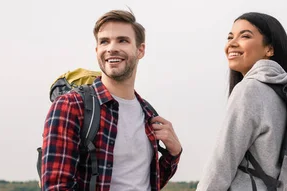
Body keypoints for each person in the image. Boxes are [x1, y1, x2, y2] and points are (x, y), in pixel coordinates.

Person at [40, 9, 182, 191]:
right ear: (97, 50)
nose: (111, 48)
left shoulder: (148, 113)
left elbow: (144, 183)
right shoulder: (71, 106)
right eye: (104, 41)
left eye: (122, 40)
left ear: (140, 50)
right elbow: (57, 187)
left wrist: (174, 153)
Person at [196, 12, 287, 190]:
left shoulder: (250, 90)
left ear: (269, 49)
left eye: (245, 36)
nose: (231, 43)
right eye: (230, 37)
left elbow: (221, 164)